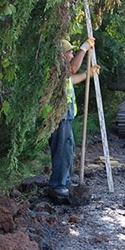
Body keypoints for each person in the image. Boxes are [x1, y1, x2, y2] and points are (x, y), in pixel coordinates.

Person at [49, 37, 98, 200]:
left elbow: (71, 79)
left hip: (66, 116)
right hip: (60, 116)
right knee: (62, 151)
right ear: (62, 55)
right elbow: (72, 69)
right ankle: (58, 186)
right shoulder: (57, 70)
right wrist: (84, 48)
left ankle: (64, 182)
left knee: (68, 151)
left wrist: (88, 74)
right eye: (70, 52)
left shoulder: (62, 73)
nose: (72, 55)